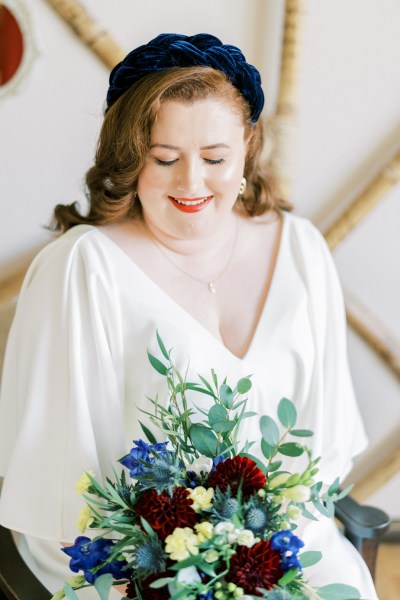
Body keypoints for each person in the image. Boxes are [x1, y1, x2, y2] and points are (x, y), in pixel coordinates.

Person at [0, 33, 377, 598]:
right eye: (165, 158)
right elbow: (59, 497)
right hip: (128, 555)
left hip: (284, 541)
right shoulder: (84, 267)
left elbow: (319, 467)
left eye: (215, 158)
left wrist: (258, 556)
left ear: (248, 148)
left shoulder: (299, 250)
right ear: (131, 158)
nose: (191, 182)